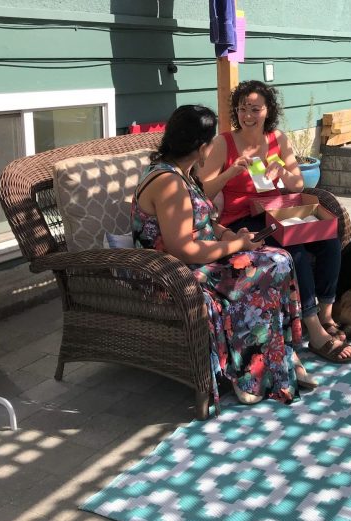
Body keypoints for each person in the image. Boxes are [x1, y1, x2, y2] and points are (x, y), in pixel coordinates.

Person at [131, 104, 316, 407]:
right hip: (172, 271)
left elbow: (203, 221)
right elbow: (183, 248)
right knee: (262, 269)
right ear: (202, 147)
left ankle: (277, 354)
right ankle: (248, 370)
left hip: (203, 257)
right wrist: (237, 246)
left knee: (279, 259)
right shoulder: (168, 183)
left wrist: (230, 235)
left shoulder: (182, 172)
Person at [197, 80, 351, 364]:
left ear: (268, 110)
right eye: (242, 109)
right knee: (293, 251)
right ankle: (314, 330)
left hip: (276, 211)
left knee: (328, 240)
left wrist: (281, 170)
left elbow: (297, 185)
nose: (248, 115)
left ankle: (326, 313)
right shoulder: (224, 142)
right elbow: (203, 192)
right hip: (240, 220)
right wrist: (229, 174)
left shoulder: (277, 139)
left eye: (255, 109)